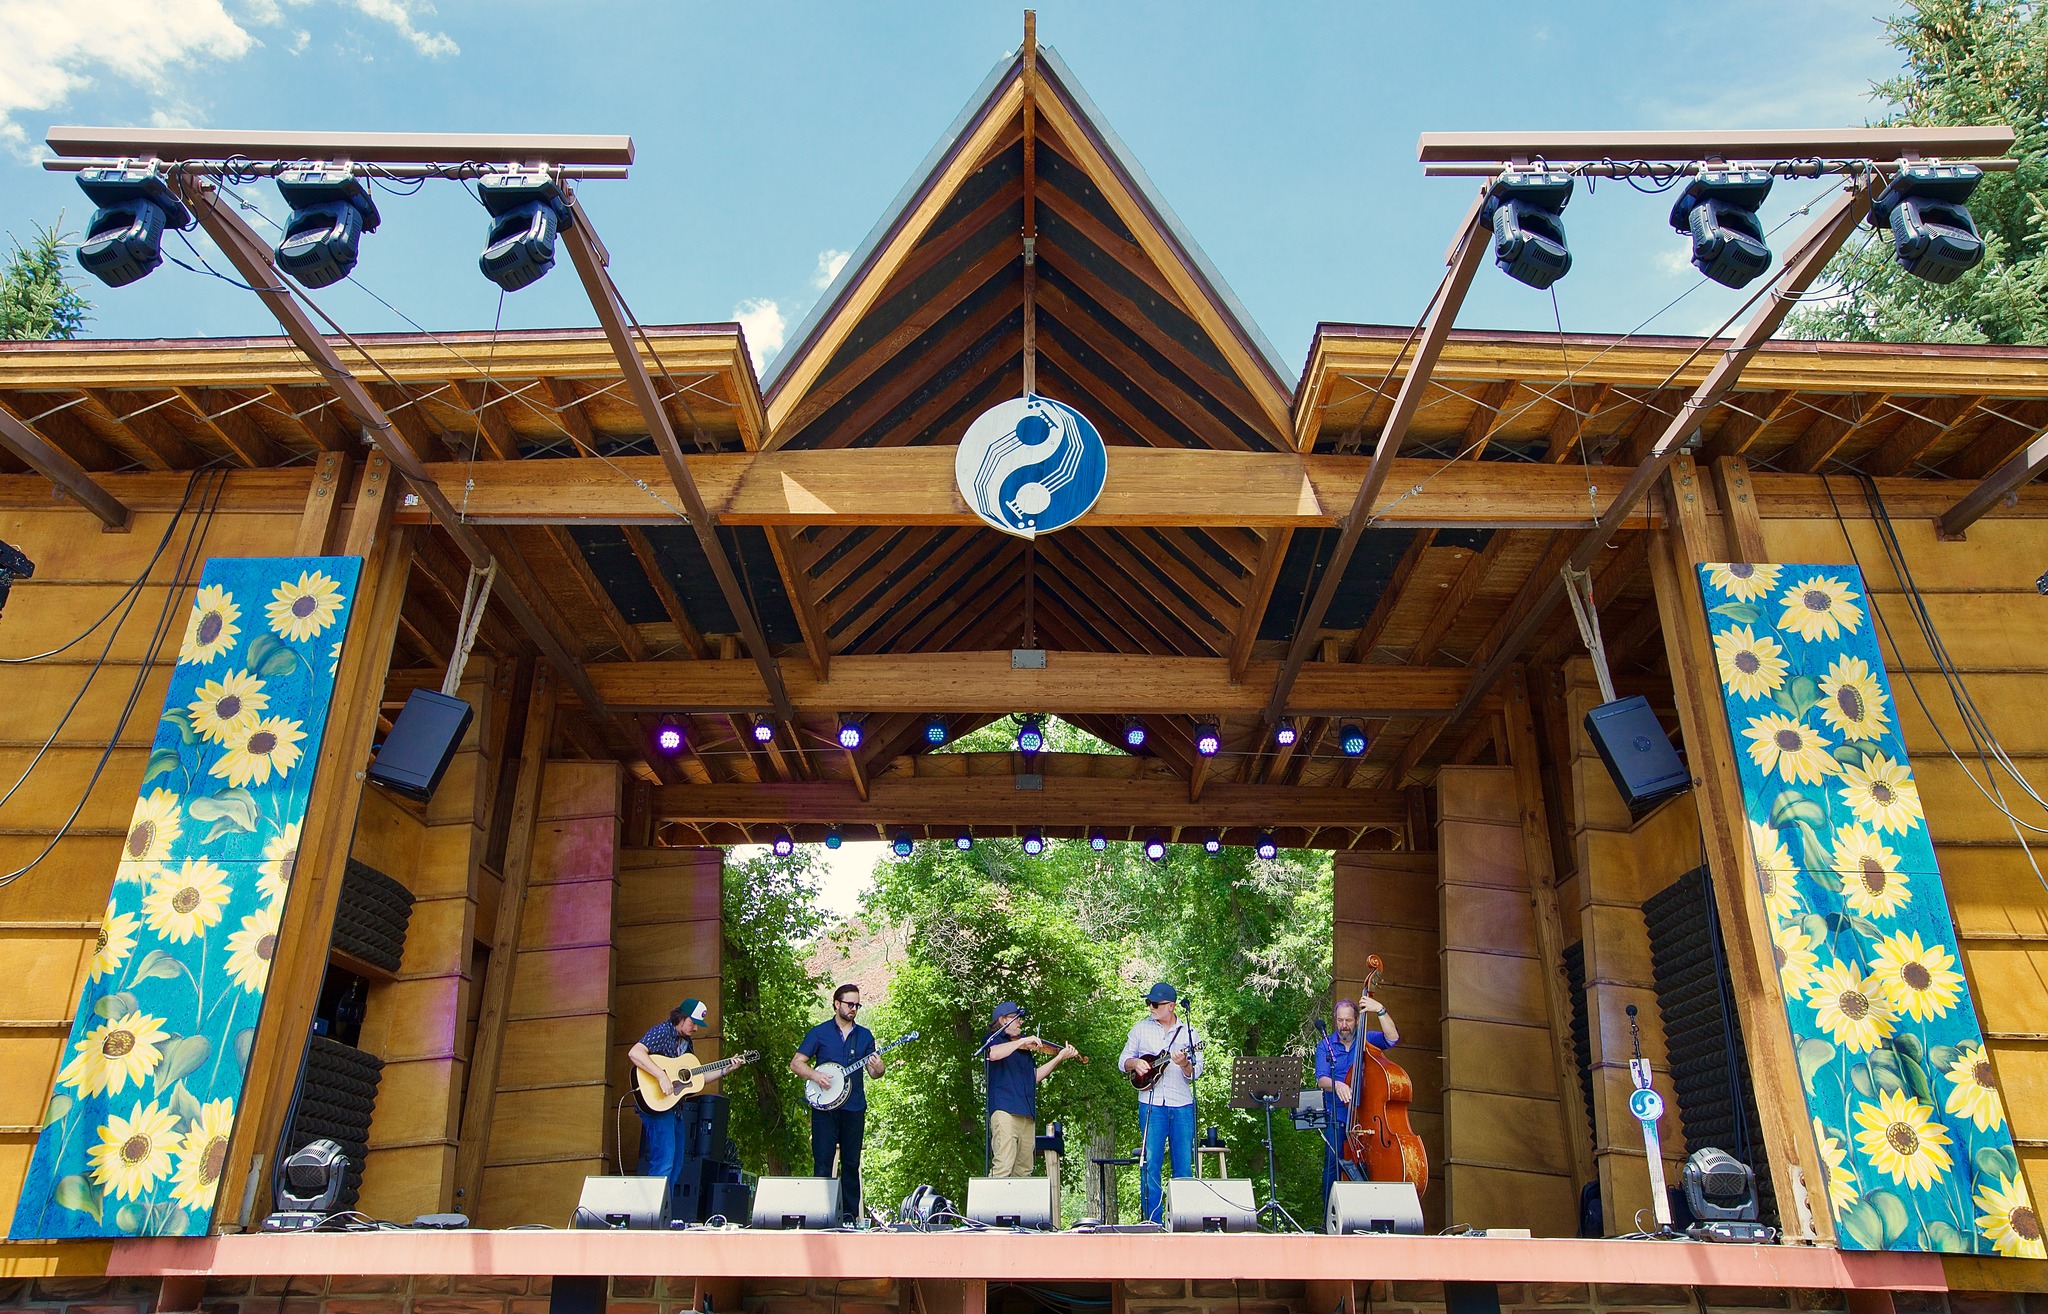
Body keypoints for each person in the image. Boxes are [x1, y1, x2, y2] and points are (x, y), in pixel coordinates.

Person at [791, 983, 887, 1224]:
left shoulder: (864, 1036)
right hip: (824, 1109)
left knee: (851, 1162)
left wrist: (879, 1069)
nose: (854, 1008)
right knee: (822, 1160)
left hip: (854, 1107)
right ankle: (820, 1213)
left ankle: (849, 1216)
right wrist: (816, 1076)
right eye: (850, 1004)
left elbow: (874, 1073)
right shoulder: (819, 1033)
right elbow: (796, 1063)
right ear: (837, 1003)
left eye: (857, 1005)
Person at [1118, 981, 1204, 1225]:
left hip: (1181, 1104)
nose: (1151, 1007)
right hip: (1151, 1103)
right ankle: (1153, 1223)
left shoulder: (1189, 1033)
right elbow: (1123, 1060)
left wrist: (1185, 1064)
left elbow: (1197, 1072)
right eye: (1149, 1003)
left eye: (1155, 1004)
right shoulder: (1140, 1029)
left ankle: (1184, 1223)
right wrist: (1135, 1064)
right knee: (1151, 1163)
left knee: (1183, 1166)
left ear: (1171, 1006)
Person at [627, 997, 720, 1210]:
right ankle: (651, 1216)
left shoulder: (687, 1043)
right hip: (657, 1106)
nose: (695, 1028)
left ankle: (662, 1213)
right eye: (693, 1023)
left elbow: (696, 1078)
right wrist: (661, 1076)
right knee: (664, 1162)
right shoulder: (662, 1032)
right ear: (681, 1017)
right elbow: (635, 1053)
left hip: (674, 1108)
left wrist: (726, 1068)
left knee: (677, 1165)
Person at [1314, 995, 1401, 1206]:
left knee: (1372, 1163)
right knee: (1333, 1164)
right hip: (1338, 1116)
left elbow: (1392, 1038)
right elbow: (1321, 1079)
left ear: (1356, 1020)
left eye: (1349, 1021)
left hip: (1367, 1117)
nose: (1344, 1026)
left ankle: (1374, 1210)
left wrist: (1380, 1009)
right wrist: (1339, 1085)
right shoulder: (1325, 1045)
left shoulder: (1366, 1039)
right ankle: (1329, 1217)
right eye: (1340, 1021)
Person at [983, 1001, 1078, 1177]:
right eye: (1016, 1018)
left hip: (1026, 1114)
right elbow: (994, 1054)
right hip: (1005, 1111)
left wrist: (1059, 1058)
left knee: (1024, 1170)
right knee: (1003, 1165)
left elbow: (1034, 1077)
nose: (1021, 1023)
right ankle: (994, 1204)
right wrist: (1023, 1041)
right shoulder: (994, 1040)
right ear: (1003, 1021)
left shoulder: (1023, 1048)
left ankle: (1018, 1206)